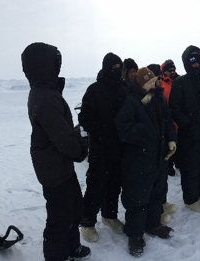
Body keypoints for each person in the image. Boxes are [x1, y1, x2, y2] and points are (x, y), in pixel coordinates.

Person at [24, 42, 91, 261]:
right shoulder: (45, 98)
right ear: (44, 66)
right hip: (53, 168)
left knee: (73, 209)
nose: (58, 65)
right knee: (60, 217)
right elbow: (63, 140)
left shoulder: (46, 92)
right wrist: (80, 147)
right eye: (55, 61)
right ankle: (57, 257)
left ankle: (72, 248)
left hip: (57, 164)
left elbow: (59, 132)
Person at [115, 68, 177, 257]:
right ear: (141, 85)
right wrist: (145, 131)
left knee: (157, 193)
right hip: (139, 159)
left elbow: (167, 120)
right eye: (149, 83)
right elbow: (123, 128)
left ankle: (153, 224)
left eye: (155, 81)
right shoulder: (132, 101)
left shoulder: (159, 98)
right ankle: (134, 235)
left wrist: (171, 139)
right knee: (138, 197)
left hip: (158, 156)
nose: (154, 85)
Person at [78, 52, 127, 242]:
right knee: (95, 186)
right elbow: (84, 118)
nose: (116, 71)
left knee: (115, 185)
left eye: (119, 67)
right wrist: (102, 131)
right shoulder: (94, 90)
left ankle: (109, 216)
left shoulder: (123, 89)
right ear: (106, 68)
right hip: (100, 148)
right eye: (113, 67)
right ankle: (87, 222)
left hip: (119, 148)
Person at [168, 45, 200, 213]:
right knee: (191, 168)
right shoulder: (180, 83)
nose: (196, 64)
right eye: (192, 60)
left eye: (198, 60)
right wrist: (188, 125)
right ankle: (191, 199)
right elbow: (174, 109)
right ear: (186, 62)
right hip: (190, 136)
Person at [159, 59, 179, 177]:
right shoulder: (161, 82)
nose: (172, 72)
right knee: (169, 142)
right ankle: (169, 165)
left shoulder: (179, 80)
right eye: (169, 70)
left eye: (174, 70)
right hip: (167, 117)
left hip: (178, 117)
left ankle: (178, 162)